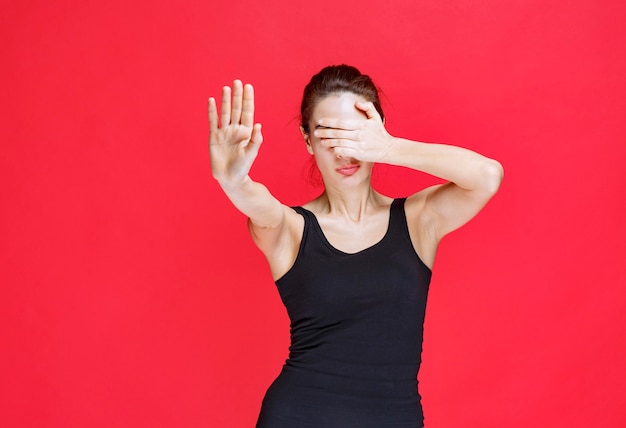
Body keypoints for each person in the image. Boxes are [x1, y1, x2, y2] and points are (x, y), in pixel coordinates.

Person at [208, 65, 503, 428]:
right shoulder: (291, 228)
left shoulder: (417, 219)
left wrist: (389, 147)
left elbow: (487, 177)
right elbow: (262, 208)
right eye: (327, 136)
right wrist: (233, 182)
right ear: (307, 141)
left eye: (354, 134)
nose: (343, 152)